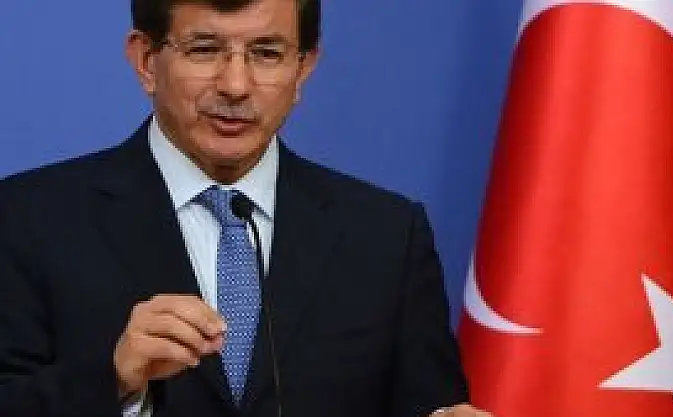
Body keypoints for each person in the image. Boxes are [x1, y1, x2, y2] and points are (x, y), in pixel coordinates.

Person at [0, 0, 490, 416]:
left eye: (267, 53)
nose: (235, 85)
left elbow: (431, 405)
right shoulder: (27, 219)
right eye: (204, 49)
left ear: (304, 67)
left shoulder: (387, 237)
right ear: (146, 60)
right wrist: (114, 378)